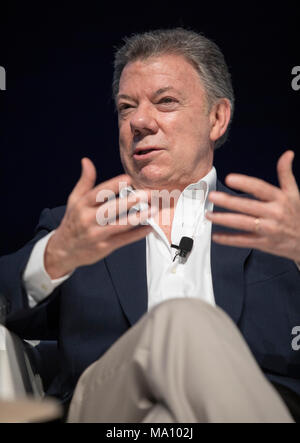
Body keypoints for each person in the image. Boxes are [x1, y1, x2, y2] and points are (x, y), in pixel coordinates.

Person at [0, 28, 299, 423]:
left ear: (217, 118)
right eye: (126, 107)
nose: (140, 121)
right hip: (110, 409)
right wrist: (55, 257)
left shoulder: (280, 226)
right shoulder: (79, 228)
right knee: (182, 319)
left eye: (166, 101)